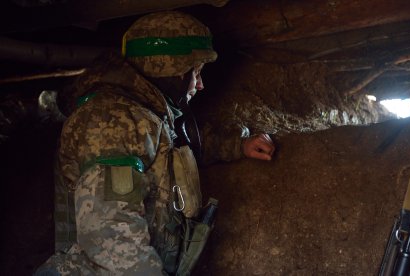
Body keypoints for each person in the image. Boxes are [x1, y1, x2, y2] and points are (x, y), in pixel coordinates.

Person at [36, 11, 275, 276]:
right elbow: (112, 234)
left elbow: (170, 149)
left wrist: (238, 145)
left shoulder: (141, 114)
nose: (200, 84)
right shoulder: (110, 121)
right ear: (170, 69)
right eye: (195, 72)